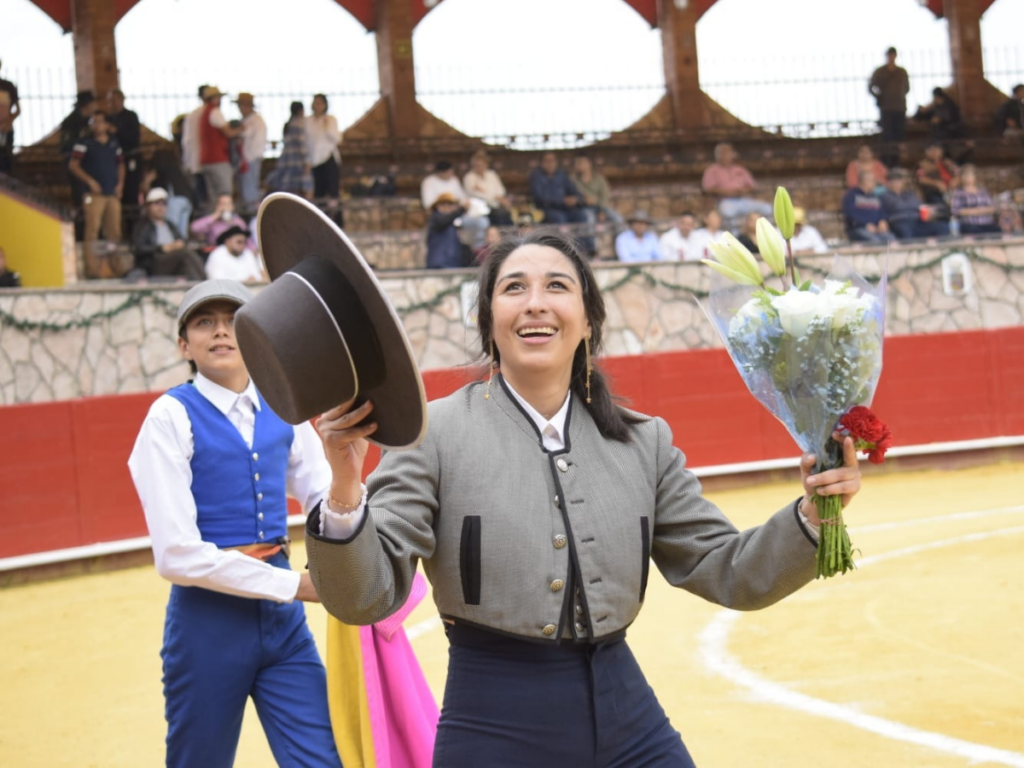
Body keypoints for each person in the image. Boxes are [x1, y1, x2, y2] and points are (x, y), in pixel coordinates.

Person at [305, 228, 863, 767]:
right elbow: (364, 599)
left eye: (557, 286)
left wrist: (813, 513)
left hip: (628, 717)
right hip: (493, 722)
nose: (535, 304)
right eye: (514, 288)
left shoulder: (644, 441)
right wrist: (345, 486)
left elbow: (728, 570)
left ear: (588, 321)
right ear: (488, 321)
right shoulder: (434, 435)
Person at [128, 280, 342, 768]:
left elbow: (325, 498)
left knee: (322, 760)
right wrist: (295, 585)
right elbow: (176, 553)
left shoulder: (283, 407)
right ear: (185, 345)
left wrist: (363, 556)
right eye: (205, 322)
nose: (221, 332)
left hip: (284, 629)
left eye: (234, 321)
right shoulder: (168, 416)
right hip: (208, 626)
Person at [68, 111, 125, 279]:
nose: (97, 125)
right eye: (93, 122)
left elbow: (121, 165)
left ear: (107, 125)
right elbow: (73, 165)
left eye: (100, 122)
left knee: (114, 232)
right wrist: (90, 182)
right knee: (92, 231)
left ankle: (117, 268)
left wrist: (120, 184)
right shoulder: (84, 143)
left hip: (112, 193)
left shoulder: (114, 143)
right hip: (94, 195)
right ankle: (92, 270)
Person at [131, 187, 206, 280]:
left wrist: (180, 244)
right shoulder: (143, 226)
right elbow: (139, 248)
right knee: (185, 254)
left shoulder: (170, 225)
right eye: (157, 204)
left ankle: (200, 285)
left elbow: (181, 240)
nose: (161, 207)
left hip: (174, 261)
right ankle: (205, 282)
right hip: (154, 263)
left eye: (164, 204)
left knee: (189, 262)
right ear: (149, 206)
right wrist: (162, 248)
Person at [422, 160, 487, 248]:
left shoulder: (454, 180)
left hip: (457, 216)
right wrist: (447, 207)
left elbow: (462, 199)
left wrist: (461, 206)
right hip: (440, 219)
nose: (451, 174)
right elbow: (429, 205)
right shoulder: (429, 182)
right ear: (441, 173)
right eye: (448, 172)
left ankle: (479, 250)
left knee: (482, 222)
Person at [700, 143, 773, 221]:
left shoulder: (740, 169)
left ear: (733, 154)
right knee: (727, 211)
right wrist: (728, 192)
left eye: (727, 152)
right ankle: (734, 233)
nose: (725, 155)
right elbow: (708, 189)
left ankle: (759, 231)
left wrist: (742, 191)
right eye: (722, 153)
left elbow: (752, 186)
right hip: (725, 201)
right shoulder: (711, 170)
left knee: (767, 208)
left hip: (744, 199)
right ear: (716, 155)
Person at [198, 87, 241, 210]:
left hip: (206, 160)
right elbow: (228, 133)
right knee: (225, 193)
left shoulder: (204, 113)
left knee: (213, 197)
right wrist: (241, 129)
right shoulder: (215, 112)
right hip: (218, 160)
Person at [869, 47, 910, 167]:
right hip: (886, 108)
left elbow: (907, 88)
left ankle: (896, 161)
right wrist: (880, 98)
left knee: (898, 134)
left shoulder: (901, 72)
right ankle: (886, 162)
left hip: (900, 107)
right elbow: (871, 87)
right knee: (887, 135)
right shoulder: (880, 72)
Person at [881, 168, 949, 241]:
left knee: (942, 226)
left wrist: (929, 212)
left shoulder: (911, 194)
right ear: (890, 182)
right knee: (905, 230)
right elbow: (897, 206)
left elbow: (920, 206)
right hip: (900, 222)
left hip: (917, 221)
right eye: (895, 180)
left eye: (900, 180)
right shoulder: (885, 196)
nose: (898, 183)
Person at [106, 89, 141, 219]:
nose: (112, 104)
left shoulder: (131, 117)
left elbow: (133, 139)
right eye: (109, 101)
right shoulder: (108, 119)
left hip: (130, 159)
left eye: (114, 101)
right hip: (113, 162)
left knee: (131, 193)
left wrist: (116, 131)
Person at [267, 101, 313, 199]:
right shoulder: (299, 124)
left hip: (286, 162)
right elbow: (302, 145)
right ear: (301, 111)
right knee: (304, 190)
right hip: (298, 163)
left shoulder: (288, 124)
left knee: (288, 191)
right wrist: (307, 161)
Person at [234, 92, 267, 216]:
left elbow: (242, 134)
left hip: (251, 158)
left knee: (250, 189)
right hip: (247, 159)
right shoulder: (249, 120)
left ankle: (252, 215)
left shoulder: (254, 121)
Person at [842, 170, 895, 244]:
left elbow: (881, 212)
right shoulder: (851, 195)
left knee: (892, 241)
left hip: (877, 229)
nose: (875, 183)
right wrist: (865, 225)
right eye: (873, 180)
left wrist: (882, 221)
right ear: (864, 182)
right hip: (858, 229)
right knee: (875, 242)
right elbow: (850, 214)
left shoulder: (875, 196)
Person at [306, 94, 341, 204]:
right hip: (314, 161)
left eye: (320, 103)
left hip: (328, 158)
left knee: (333, 192)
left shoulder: (330, 119)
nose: (317, 106)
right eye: (316, 103)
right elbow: (307, 142)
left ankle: (336, 219)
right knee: (318, 193)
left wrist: (327, 126)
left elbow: (337, 138)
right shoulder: (308, 121)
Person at [463, 151, 513, 226]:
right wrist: (494, 197)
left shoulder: (491, 174)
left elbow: (500, 190)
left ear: (486, 164)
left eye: (481, 165)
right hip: (480, 207)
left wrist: (496, 197)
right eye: (476, 165)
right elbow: (474, 194)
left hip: (497, 204)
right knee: (499, 215)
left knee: (506, 215)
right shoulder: (469, 177)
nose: (479, 167)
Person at [571, 154, 624, 226]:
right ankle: (590, 237)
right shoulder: (572, 180)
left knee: (618, 219)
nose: (578, 165)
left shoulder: (599, 179)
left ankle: (619, 237)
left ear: (589, 163)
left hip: (600, 207)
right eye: (576, 163)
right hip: (583, 208)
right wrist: (583, 199)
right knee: (590, 219)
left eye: (581, 163)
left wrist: (602, 211)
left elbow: (605, 196)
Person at [950, 165, 1001, 236]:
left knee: (997, 231)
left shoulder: (983, 191)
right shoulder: (958, 192)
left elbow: (992, 208)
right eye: (964, 175)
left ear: (975, 176)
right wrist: (979, 211)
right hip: (970, 225)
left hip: (987, 224)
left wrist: (972, 211)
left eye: (970, 174)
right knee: (974, 232)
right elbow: (955, 210)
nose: (967, 177)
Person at [425, 192, 469, 269]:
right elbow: (444, 221)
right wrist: (461, 210)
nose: (447, 207)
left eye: (450, 204)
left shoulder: (454, 224)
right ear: (437, 207)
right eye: (443, 204)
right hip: (438, 265)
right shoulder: (435, 219)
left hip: (453, 264)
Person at [916, 143, 958, 216]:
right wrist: (936, 183)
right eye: (932, 150)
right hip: (935, 192)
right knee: (942, 208)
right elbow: (920, 179)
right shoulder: (922, 164)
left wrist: (955, 180)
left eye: (938, 150)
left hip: (952, 191)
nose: (935, 152)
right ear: (926, 152)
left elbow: (959, 173)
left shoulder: (947, 162)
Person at [0, 59, 21, 174]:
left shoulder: (8, 86)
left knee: (5, 161)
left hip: (6, 131)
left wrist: (6, 122)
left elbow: (17, 110)